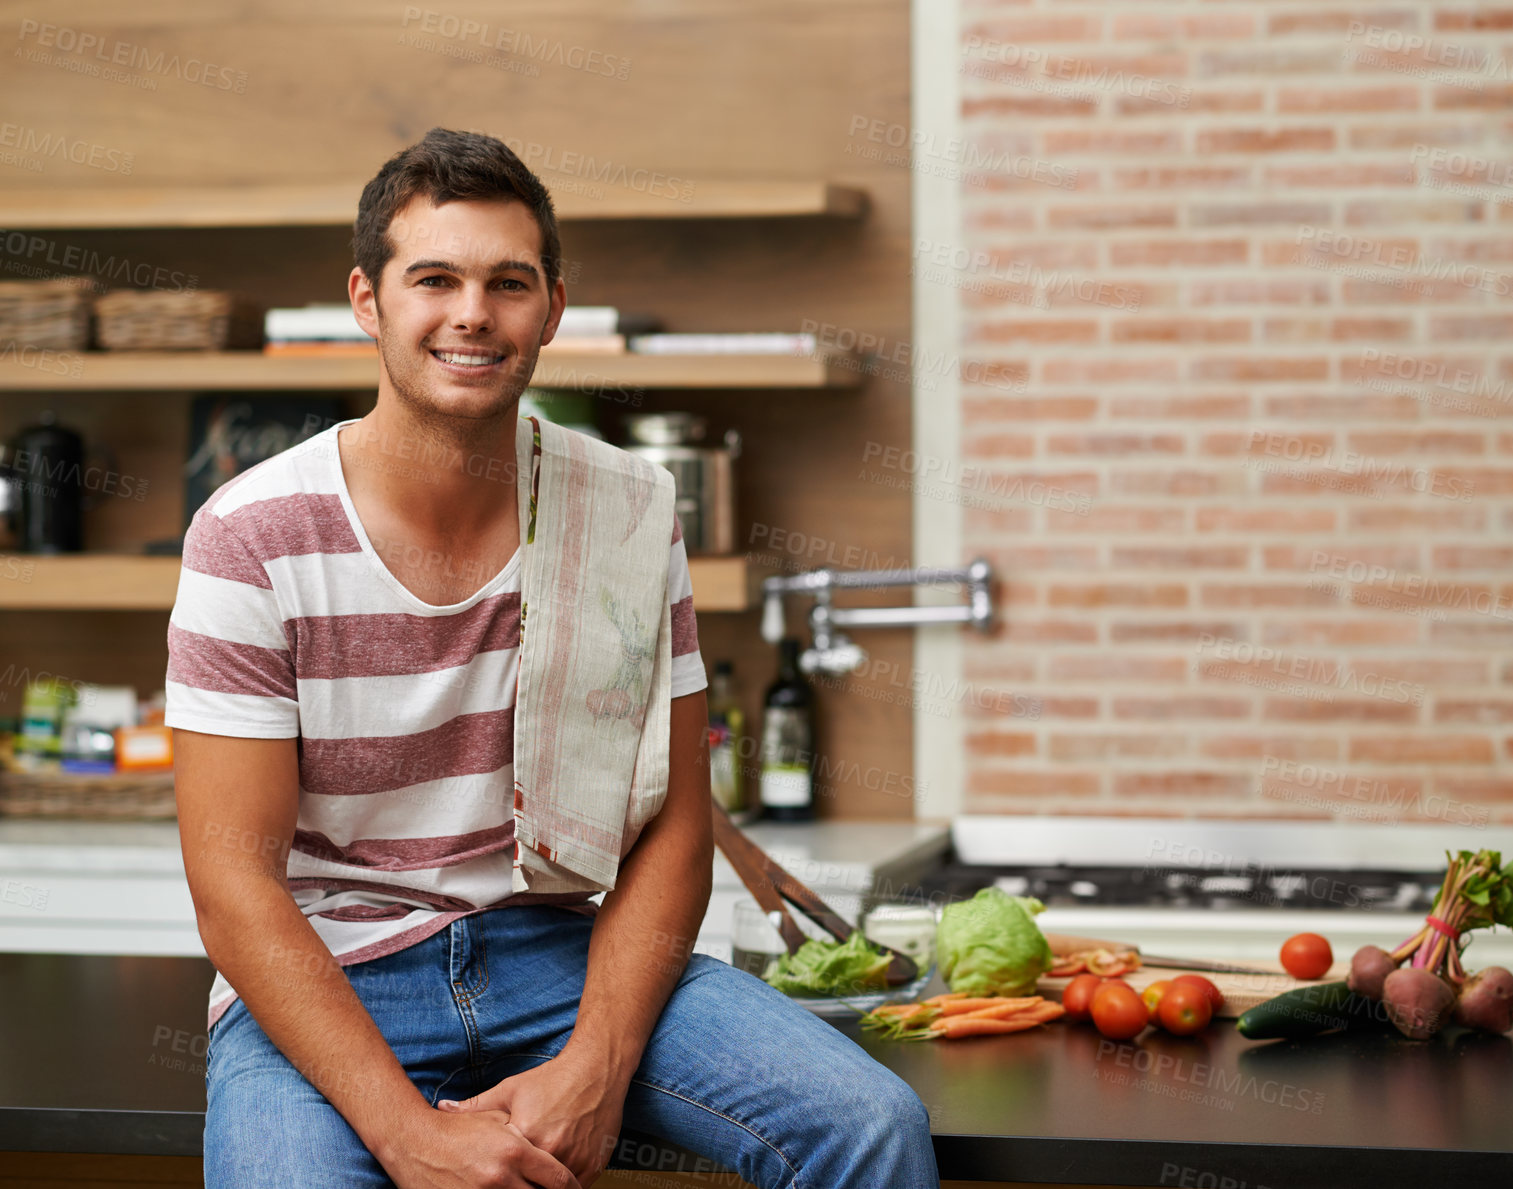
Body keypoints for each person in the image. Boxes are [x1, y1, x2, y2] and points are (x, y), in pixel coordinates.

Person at [168, 126, 940, 1189]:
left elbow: (673, 815)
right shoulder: (250, 535)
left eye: (509, 282)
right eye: (434, 278)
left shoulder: (626, 507)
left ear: (552, 308)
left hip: (561, 956)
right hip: (335, 975)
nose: (473, 313)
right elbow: (231, 880)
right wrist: (409, 1136)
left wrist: (600, 1063)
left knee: (869, 1122)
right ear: (368, 299)